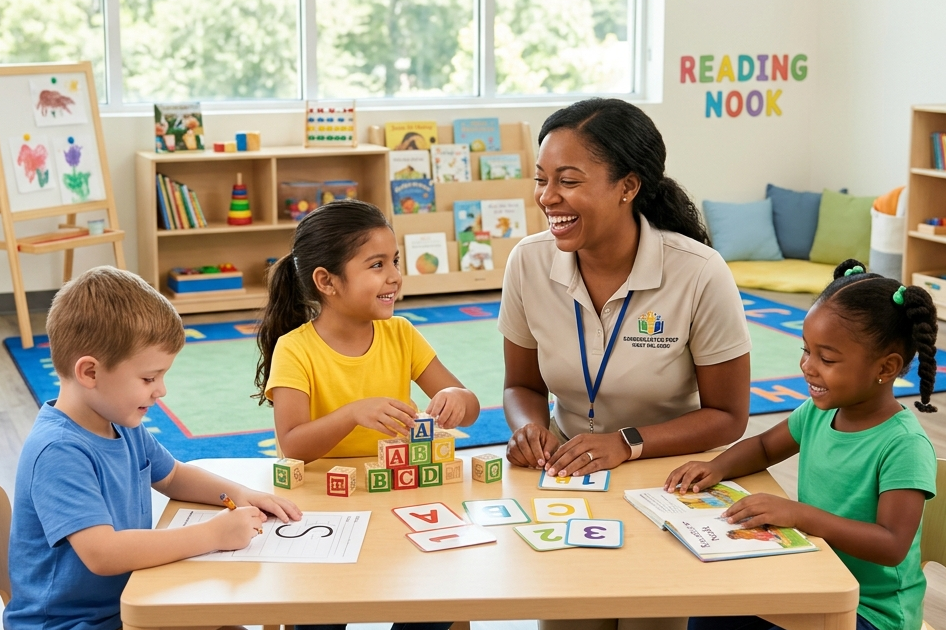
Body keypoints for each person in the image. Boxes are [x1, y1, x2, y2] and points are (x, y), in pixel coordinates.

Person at [500, 97, 752, 630]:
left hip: (667, 480)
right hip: (565, 478)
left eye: (568, 181)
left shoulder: (700, 273)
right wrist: (529, 429)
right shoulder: (528, 261)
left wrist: (626, 443)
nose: (548, 198)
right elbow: (520, 384)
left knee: (649, 619)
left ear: (628, 186)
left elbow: (729, 415)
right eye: (542, 179)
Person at [3, 266, 302, 630]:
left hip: (129, 602)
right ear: (90, 373)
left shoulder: (119, 421)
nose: (161, 391)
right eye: (148, 378)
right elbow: (102, 554)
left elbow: (173, 475)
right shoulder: (59, 451)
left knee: (228, 621)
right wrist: (212, 535)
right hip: (73, 624)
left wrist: (241, 493)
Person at [667, 259, 939, 630]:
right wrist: (717, 467)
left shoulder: (903, 445)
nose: (807, 366)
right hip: (813, 575)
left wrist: (798, 514)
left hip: (869, 612)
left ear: (886, 368)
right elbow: (764, 447)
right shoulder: (817, 412)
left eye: (826, 358)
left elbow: (890, 545)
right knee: (713, 607)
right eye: (806, 350)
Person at [254, 199, 478, 630]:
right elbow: (293, 445)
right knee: (318, 615)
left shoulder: (401, 334)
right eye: (376, 264)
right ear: (326, 281)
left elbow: (466, 405)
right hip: (320, 508)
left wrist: (454, 396)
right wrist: (352, 413)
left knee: (431, 606)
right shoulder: (295, 349)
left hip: (396, 495)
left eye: (394, 261)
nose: (394, 275)